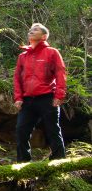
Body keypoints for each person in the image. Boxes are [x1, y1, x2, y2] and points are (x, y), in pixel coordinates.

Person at [13, 23, 66, 162]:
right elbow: (17, 78)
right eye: (30, 30)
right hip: (27, 100)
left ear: (43, 36)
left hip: (47, 97)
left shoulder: (52, 52)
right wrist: (18, 97)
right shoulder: (22, 56)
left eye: (35, 29)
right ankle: (23, 163)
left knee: (53, 130)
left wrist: (59, 95)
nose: (31, 31)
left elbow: (61, 73)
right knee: (21, 130)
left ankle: (59, 161)